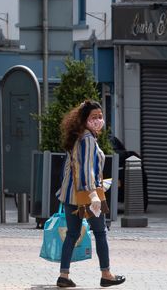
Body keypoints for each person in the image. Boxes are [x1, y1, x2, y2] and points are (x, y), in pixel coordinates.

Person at [55, 100, 126, 288]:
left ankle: (64, 275)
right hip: (87, 194)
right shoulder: (87, 138)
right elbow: (86, 168)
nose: (98, 120)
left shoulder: (78, 137)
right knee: (100, 233)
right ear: (84, 119)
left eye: (100, 117)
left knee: (72, 234)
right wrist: (93, 194)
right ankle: (106, 274)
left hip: (71, 194)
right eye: (94, 117)